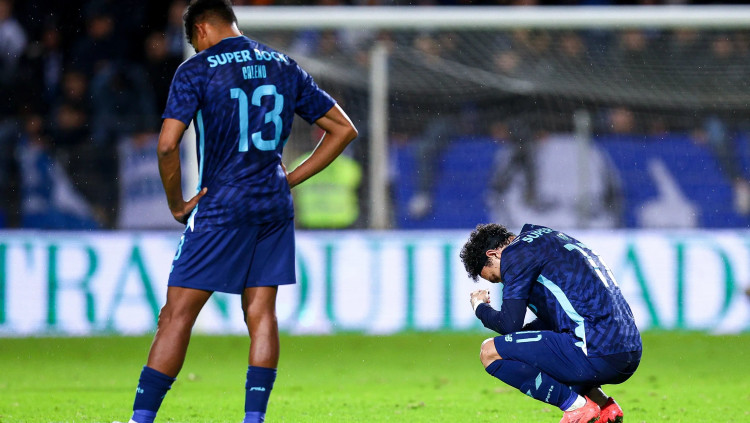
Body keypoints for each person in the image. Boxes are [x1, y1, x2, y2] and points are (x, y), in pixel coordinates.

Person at [118, 1, 357, 422]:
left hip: (221, 204)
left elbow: (167, 145)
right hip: (272, 205)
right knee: (261, 314)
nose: (197, 48)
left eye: (195, 41)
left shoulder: (196, 69)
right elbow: (343, 129)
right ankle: (254, 418)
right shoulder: (284, 65)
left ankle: (141, 419)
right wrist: (290, 179)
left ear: (201, 29)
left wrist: (177, 204)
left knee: (176, 315)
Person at [460, 223, 641, 423]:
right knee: (532, 347)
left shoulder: (515, 253)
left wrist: (479, 307)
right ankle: (604, 407)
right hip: (629, 350)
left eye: (497, 277)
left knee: (489, 352)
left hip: (597, 351)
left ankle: (577, 407)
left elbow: (508, 325)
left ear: (493, 254)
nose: (505, 282)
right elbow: (555, 320)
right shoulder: (548, 238)